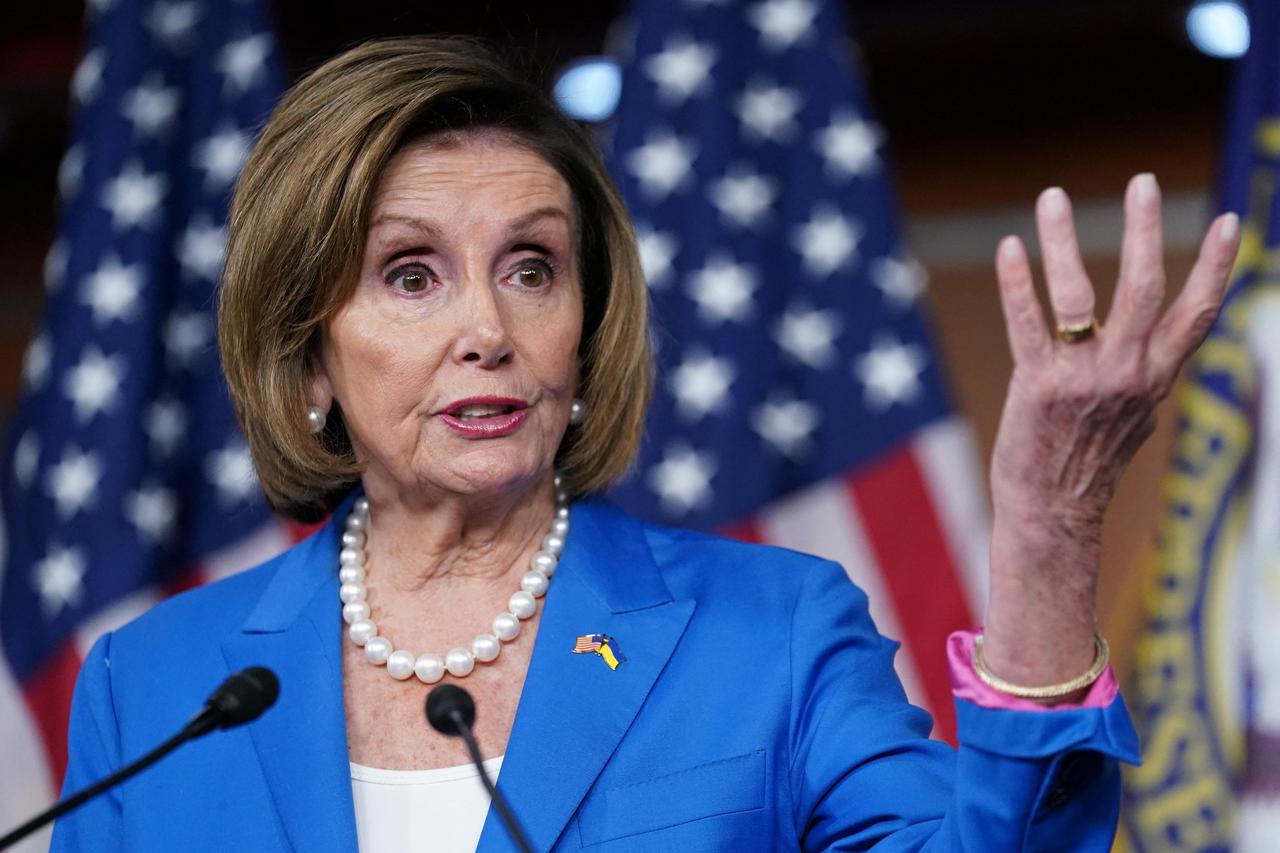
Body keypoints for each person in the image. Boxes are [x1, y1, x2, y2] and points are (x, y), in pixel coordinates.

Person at [50, 36, 1239, 852]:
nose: (489, 328)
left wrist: (1045, 523)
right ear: (308, 355)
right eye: (410, 275)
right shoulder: (154, 686)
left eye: (533, 268)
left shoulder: (769, 634)